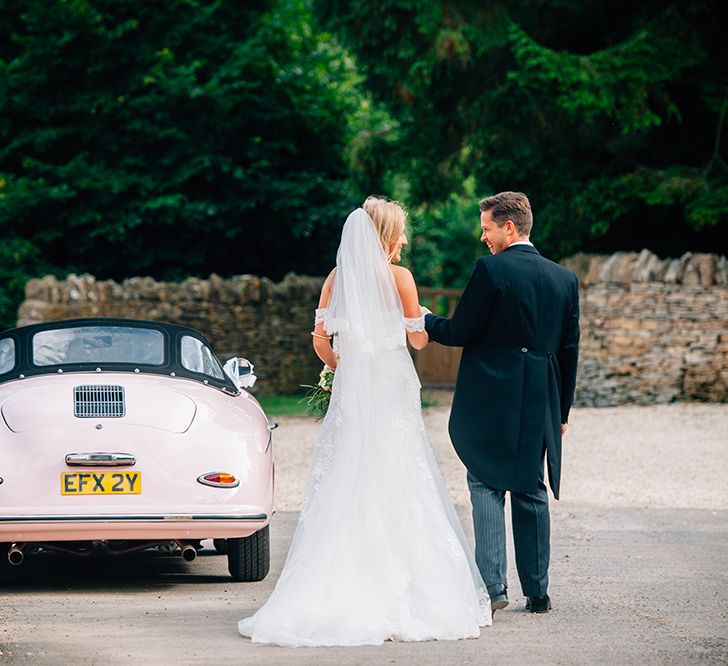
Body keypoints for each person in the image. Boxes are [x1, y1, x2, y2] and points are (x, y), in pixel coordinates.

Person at [238, 197, 491, 646]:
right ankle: (409, 590)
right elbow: (417, 341)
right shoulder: (401, 278)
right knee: (400, 475)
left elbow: (320, 343)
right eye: (401, 234)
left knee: (348, 476)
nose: (405, 241)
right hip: (391, 390)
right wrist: (421, 322)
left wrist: (344, 368)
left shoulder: (336, 279)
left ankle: (333, 588)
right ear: (386, 236)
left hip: (356, 394)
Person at [424, 191, 580, 614]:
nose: (483, 237)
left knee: (486, 481)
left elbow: (460, 330)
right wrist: (560, 412)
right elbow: (569, 350)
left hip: (492, 394)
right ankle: (538, 593)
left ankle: (494, 591)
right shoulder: (564, 278)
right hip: (540, 397)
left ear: (509, 227)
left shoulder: (490, 271)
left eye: (487, 228)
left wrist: (424, 320)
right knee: (530, 487)